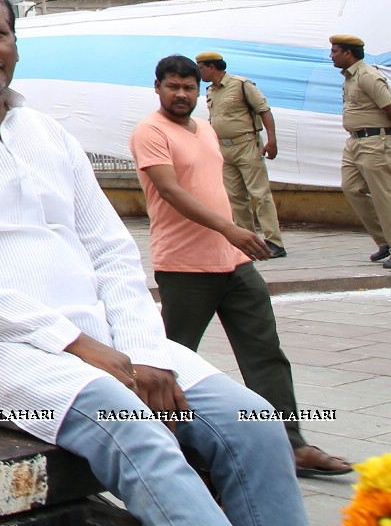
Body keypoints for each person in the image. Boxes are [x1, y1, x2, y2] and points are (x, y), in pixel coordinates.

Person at [0, 0, 305, 526]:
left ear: (15, 45)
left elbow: (112, 252)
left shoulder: (48, 134)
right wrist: (77, 345)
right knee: (133, 425)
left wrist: (144, 350)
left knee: (255, 423)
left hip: (101, 344)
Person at [130, 54, 351, 477]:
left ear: (199, 91)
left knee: (265, 354)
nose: (181, 94)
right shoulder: (149, 132)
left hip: (234, 263)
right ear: (157, 87)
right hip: (185, 267)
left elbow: (218, 187)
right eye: (172, 86)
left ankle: (290, 444)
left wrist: (238, 233)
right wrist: (230, 230)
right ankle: (159, 442)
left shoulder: (207, 129)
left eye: (188, 87)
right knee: (171, 359)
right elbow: (172, 192)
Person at [196, 51, 285, 257]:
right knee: (235, 197)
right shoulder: (211, 91)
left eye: (201, 67)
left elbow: (264, 110)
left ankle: (274, 241)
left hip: (246, 145)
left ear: (212, 67)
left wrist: (272, 140)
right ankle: (249, 241)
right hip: (224, 148)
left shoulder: (241, 84)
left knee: (260, 193)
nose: (199, 71)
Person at [332, 33, 391, 269]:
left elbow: (389, 107)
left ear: (348, 53)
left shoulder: (368, 75)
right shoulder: (349, 78)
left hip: (376, 140)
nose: (331, 56)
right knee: (351, 188)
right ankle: (385, 241)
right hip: (355, 141)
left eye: (335, 51)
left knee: (384, 195)